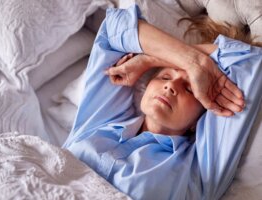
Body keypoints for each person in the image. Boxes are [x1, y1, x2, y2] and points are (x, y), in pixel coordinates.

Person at [63, 4, 262, 200]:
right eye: (165, 77)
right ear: (148, 86)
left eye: (189, 89)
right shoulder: (98, 124)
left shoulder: (198, 171)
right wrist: (189, 61)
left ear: (198, 119)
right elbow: (114, 27)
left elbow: (250, 61)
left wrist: (152, 60)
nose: (170, 86)